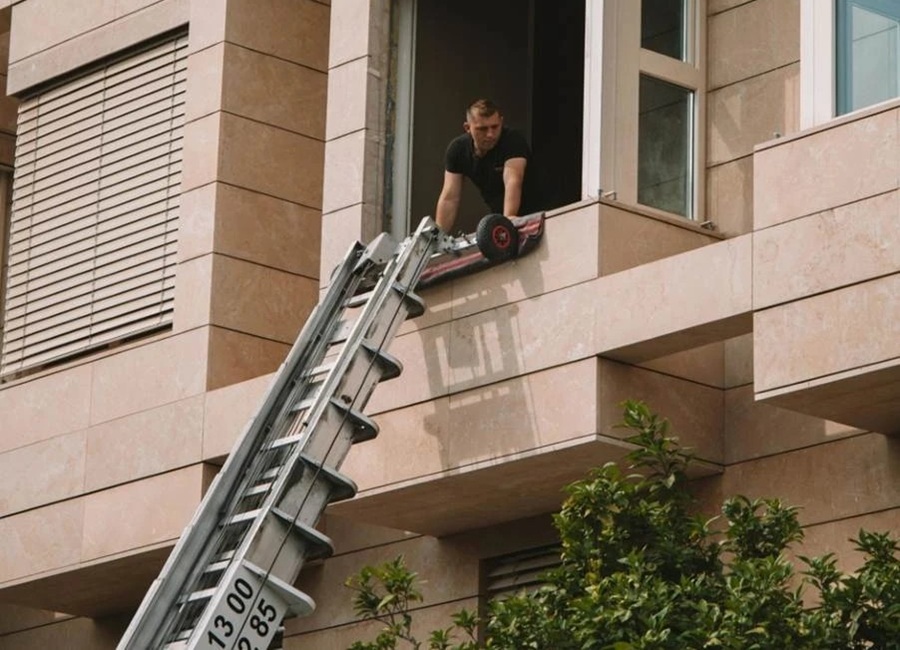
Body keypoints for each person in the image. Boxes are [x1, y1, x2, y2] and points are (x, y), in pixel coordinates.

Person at [435, 99, 538, 234]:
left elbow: (513, 180)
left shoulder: (513, 140)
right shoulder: (457, 150)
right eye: (482, 129)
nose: (490, 134)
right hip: (501, 217)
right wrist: (438, 238)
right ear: (468, 128)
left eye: (495, 127)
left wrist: (508, 219)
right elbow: (450, 197)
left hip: (539, 213)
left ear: (501, 122)